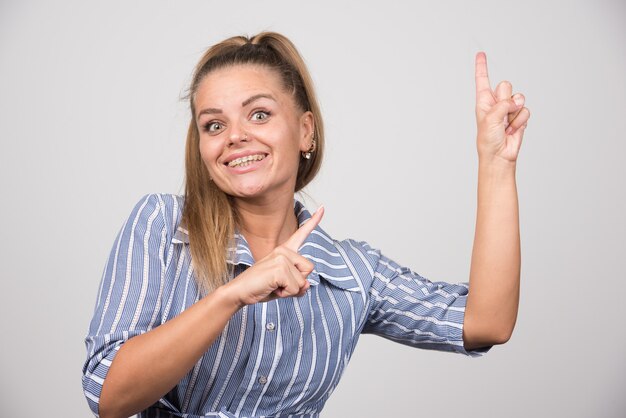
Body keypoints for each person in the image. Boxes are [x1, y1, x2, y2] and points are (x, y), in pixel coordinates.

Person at [82, 32, 530, 418]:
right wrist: (231, 296)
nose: (235, 135)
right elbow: (109, 397)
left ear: (306, 132)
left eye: (259, 114)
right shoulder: (163, 226)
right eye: (214, 124)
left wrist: (495, 164)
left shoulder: (354, 273)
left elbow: (485, 321)